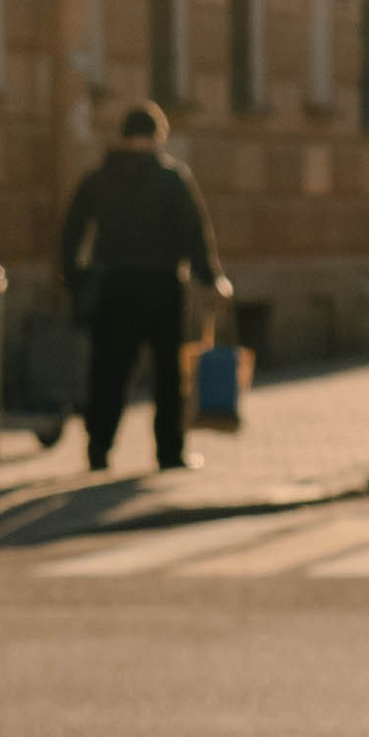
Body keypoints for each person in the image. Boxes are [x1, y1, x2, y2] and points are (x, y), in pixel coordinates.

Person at [60, 102, 228, 475]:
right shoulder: (170, 178)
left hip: (112, 287)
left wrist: (73, 279)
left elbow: (72, 233)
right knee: (168, 374)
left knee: (108, 372)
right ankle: (169, 452)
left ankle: (98, 450)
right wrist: (210, 276)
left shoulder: (99, 178)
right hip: (162, 286)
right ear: (158, 137)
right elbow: (193, 232)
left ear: (121, 136)